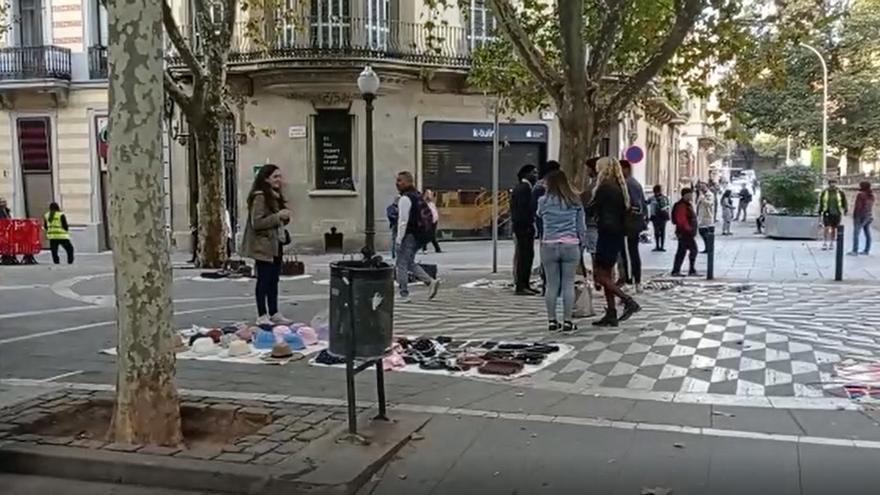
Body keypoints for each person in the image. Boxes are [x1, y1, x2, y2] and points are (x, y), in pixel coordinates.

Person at [588, 157, 641, 327]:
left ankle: (628, 301)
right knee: (607, 274)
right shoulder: (619, 186)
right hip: (616, 233)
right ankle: (611, 313)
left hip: (607, 233)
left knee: (600, 275)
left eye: (598, 168)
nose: (596, 171)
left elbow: (591, 208)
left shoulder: (605, 187)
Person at [241, 164, 293, 326]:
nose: (279, 180)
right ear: (265, 179)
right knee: (264, 280)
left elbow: (277, 220)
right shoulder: (260, 197)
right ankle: (262, 314)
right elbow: (256, 223)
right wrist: (278, 216)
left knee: (274, 280)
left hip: (276, 243)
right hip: (263, 245)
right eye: (275, 177)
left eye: (280, 176)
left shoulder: (274, 196)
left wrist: (285, 217)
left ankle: (274, 312)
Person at [537, 170, 587, 332]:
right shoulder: (574, 201)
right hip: (570, 245)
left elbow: (539, 216)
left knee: (551, 285)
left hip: (549, 245)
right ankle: (567, 321)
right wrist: (582, 244)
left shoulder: (543, 201)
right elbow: (581, 227)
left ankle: (552, 320)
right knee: (568, 283)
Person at [394, 171, 440, 303]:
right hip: (421, 235)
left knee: (401, 264)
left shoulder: (405, 198)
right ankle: (430, 281)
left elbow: (403, 221)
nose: (397, 183)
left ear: (408, 182)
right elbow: (433, 215)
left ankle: (404, 294)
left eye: (400, 181)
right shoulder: (418, 196)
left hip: (409, 235)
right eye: (397, 181)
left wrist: (398, 239)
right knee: (409, 262)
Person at [618, 160, 647, 291]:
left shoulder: (628, 184)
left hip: (628, 225)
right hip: (633, 224)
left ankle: (631, 281)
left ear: (626, 169)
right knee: (632, 252)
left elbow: (635, 205)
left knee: (629, 254)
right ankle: (635, 281)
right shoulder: (634, 183)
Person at [510, 164, 539, 295]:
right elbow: (522, 210)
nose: (536, 176)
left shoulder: (525, 188)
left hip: (524, 227)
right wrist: (527, 226)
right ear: (525, 174)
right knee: (524, 256)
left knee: (527, 256)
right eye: (533, 173)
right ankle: (522, 285)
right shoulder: (523, 189)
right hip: (524, 228)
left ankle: (525, 283)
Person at [671, 188, 699, 277]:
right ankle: (690, 270)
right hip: (685, 233)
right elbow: (681, 220)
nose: (691, 196)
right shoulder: (682, 205)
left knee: (682, 251)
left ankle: (677, 270)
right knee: (693, 250)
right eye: (690, 194)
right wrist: (689, 229)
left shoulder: (687, 204)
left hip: (685, 233)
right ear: (685, 195)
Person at [819, 179, 848, 251]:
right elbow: (821, 201)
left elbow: (844, 201)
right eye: (831, 183)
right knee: (826, 227)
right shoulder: (825, 192)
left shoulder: (840, 192)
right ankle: (825, 242)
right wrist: (820, 210)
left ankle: (832, 242)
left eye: (834, 183)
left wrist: (845, 209)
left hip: (837, 212)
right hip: (827, 212)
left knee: (834, 228)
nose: (833, 184)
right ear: (829, 184)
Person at [851, 181, 875, 256]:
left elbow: (858, 206)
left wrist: (855, 215)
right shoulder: (871, 195)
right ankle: (866, 250)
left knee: (856, 233)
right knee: (867, 233)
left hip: (860, 215)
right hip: (868, 215)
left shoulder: (861, 195)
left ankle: (855, 250)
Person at [647, 185, 670, 251]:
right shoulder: (652, 198)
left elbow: (667, 206)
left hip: (661, 217)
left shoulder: (663, 198)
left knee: (661, 231)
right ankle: (658, 246)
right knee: (657, 231)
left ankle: (660, 246)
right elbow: (646, 203)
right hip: (657, 217)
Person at [696, 182, 716, 253]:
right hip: (701, 216)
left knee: (706, 233)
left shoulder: (709, 195)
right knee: (702, 232)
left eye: (703, 186)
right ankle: (707, 247)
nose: (702, 188)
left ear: (707, 187)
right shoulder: (701, 195)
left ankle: (709, 248)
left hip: (707, 216)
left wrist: (703, 199)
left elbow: (710, 204)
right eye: (701, 187)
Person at [422, 189, 442, 253]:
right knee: (426, 235)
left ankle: (436, 248)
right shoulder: (424, 203)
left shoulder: (432, 203)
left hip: (434, 221)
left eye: (430, 194)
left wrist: (435, 219)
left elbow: (434, 212)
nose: (430, 195)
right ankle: (426, 248)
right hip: (427, 221)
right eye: (428, 194)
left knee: (432, 235)